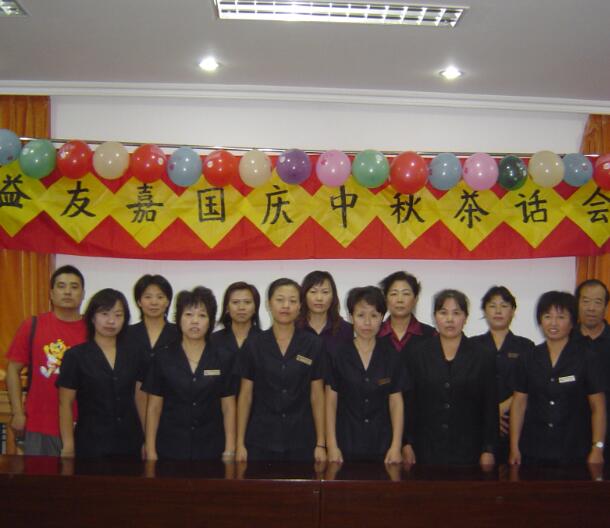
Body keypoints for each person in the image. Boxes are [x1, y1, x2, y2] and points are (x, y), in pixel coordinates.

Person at [509, 291, 606, 466]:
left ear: (572, 322)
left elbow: (598, 407)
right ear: (540, 320)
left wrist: (598, 448)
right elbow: (519, 404)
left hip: (575, 450)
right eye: (547, 316)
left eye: (561, 317)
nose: (553, 323)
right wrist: (514, 447)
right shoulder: (528, 357)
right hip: (534, 450)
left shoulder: (587, 357)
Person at [235, 278, 326, 462]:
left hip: (302, 439)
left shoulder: (313, 344)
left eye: (292, 301)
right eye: (280, 300)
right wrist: (239, 443)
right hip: (260, 439)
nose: (286, 306)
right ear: (269, 304)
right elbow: (245, 396)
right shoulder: (253, 344)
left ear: (300, 306)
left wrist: (321, 443)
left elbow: (317, 396)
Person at [403, 289, 497, 466]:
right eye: (443, 313)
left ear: (465, 317)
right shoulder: (417, 353)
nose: (449, 319)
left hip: (469, 450)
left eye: (456, 313)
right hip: (426, 448)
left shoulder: (482, 356)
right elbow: (409, 402)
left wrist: (488, 449)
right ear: (434, 317)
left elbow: (490, 407)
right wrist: (406, 443)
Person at [143, 287, 237, 460]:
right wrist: (150, 449)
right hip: (171, 446)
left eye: (202, 315)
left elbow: (228, 407)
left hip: (211, 446)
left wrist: (230, 448)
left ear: (210, 321)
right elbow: (154, 407)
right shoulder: (162, 357)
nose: (195, 321)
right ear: (178, 318)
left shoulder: (223, 357)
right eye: (188, 314)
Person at [6, 265, 87, 456]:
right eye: (61, 286)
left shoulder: (93, 330)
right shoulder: (33, 325)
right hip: (39, 424)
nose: (68, 291)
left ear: (83, 294)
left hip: (83, 426)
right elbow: (12, 370)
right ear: (51, 293)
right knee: (40, 475)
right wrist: (17, 412)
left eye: (74, 287)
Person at [57, 288, 145, 458]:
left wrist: (146, 440)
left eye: (118, 315)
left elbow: (140, 399)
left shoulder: (135, 354)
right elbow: (65, 404)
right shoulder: (75, 356)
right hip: (91, 443)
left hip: (130, 442)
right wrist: (68, 445)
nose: (111, 321)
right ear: (92, 317)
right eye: (104, 314)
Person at [325, 286, 403, 463]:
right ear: (351, 317)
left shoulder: (392, 355)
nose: (367, 322)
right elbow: (330, 402)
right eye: (361, 315)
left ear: (382, 317)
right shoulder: (338, 354)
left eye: (374, 315)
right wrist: (332, 445)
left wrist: (396, 446)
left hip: (382, 444)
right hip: (345, 442)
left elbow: (396, 402)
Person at [471, 286, 534, 464]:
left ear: (513, 311)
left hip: (517, 426)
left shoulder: (526, 347)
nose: (498, 311)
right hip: (479, 426)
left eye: (504, 306)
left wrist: (502, 408)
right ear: (484, 311)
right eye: (492, 306)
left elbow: (531, 385)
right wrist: (491, 415)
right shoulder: (471, 345)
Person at [573, 279, 610, 459]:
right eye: (586, 301)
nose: (591, 308)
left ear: (606, 307)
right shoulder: (565, 340)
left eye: (597, 302)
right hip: (571, 434)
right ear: (577, 304)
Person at [125, 274, 178, 376]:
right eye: (148, 297)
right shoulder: (127, 333)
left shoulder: (179, 333)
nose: (154, 302)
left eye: (160, 297)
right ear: (139, 302)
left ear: (167, 301)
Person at [378, 271, 435, 357]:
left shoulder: (430, 335)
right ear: (385, 299)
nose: (400, 300)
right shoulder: (374, 333)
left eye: (406, 294)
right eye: (394, 294)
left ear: (415, 299)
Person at [298, 270, 353, 351]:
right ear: (304, 295)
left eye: (325, 292)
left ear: (333, 296)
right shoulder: (294, 327)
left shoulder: (346, 330)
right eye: (313, 292)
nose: (319, 298)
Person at [211, 281, 262, 356]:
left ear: (255, 308)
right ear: (227, 308)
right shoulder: (213, 340)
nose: (241, 307)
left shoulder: (265, 340)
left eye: (247, 302)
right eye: (235, 302)